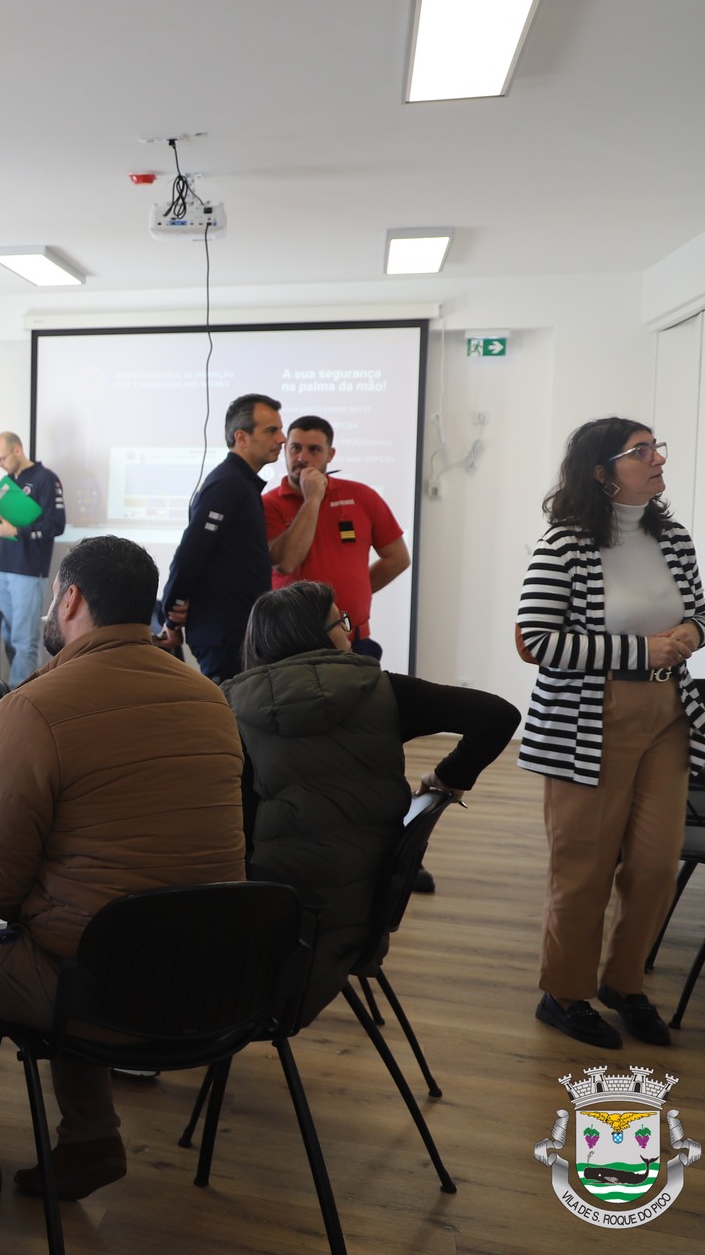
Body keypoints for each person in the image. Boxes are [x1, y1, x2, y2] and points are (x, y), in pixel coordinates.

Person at [0, 536, 245, 1202]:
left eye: (55, 594)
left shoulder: (37, 705)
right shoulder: (209, 699)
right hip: (216, 978)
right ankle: (89, 1135)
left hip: (101, 989)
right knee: (89, 915)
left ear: (71, 597)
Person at [230, 581, 519, 1021]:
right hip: (367, 902)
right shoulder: (380, 691)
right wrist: (448, 777)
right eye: (342, 622)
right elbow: (498, 716)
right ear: (320, 635)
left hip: (277, 920)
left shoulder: (229, 708)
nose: (350, 631)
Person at [518, 418, 705, 1049]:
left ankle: (624, 982)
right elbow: (537, 641)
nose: (657, 458)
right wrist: (640, 651)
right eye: (640, 451)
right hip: (587, 720)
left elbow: (701, 615)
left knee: (656, 867)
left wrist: (692, 635)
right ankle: (564, 993)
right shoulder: (566, 544)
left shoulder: (674, 539)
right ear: (602, 473)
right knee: (584, 868)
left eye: (656, 447)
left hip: (668, 717)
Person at [157, 392, 285, 682]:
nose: (282, 438)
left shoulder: (241, 484)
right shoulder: (228, 483)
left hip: (238, 633)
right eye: (271, 430)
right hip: (226, 637)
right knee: (232, 721)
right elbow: (191, 551)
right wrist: (172, 609)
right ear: (241, 437)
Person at [263, 415, 411, 661]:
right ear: (286, 450)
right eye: (295, 448)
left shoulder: (362, 496)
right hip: (291, 642)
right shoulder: (269, 504)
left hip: (354, 639)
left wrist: (357, 591)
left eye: (314, 450)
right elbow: (286, 562)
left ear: (330, 455)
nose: (302, 457)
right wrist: (312, 499)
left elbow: (397, 558)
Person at [0, 431, 67, 688]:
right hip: (3, 567)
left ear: (17, 450)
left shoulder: (46, 479)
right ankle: (16, 691)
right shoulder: (8, 482)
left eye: (1, 458)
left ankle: (18, 699)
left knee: (24, 640)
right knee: (10, 636)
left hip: (28, 571)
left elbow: (56, 525)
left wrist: (18, 531)